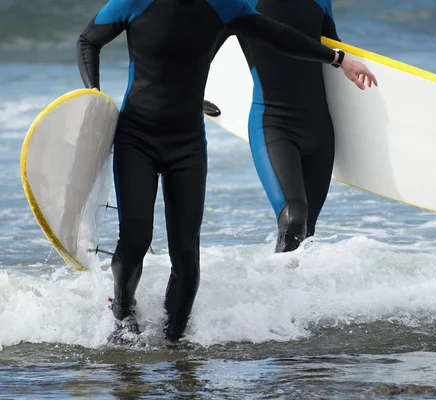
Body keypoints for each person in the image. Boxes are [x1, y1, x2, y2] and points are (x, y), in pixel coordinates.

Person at [77, 0, 377, 342]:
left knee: (186, 255)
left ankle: (174, 341)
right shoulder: (134, 1)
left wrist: (339, 59)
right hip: (137, 139)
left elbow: (280, 36)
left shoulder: (223, 4)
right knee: (135, 240)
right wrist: (93, 97)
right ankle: (123, 313)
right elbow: (89, 40)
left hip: (187, 146)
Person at [212, 0, 366, 253]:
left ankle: (288, 292)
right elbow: (199, 50)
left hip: (320, 130)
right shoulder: (243, 3)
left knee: (306, 234)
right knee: (293, 219)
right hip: (274, 125)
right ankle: (274, 288)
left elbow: (330, 50)